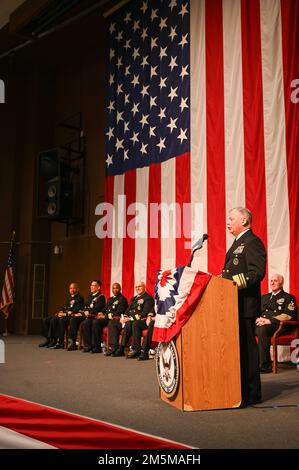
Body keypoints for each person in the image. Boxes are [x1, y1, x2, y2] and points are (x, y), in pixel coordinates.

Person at [222, 207, 266, 406]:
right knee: (237, 350)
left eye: (231, 218)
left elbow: (257, 272)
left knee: (248, 350)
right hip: (233, 305)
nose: (228, 222)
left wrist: (231, 284)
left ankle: (252, 393)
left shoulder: (252, 242)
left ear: (245, 220)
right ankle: (238, 390)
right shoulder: (237, 244)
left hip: (245, 306)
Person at [255, 274, 297, 373]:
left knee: (262, 330)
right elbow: (256, 311)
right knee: (245, 329)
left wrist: (269, 320)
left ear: (281, 283)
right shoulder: (264, 297)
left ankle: (265, 366)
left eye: (275, 281)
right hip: (262, 324)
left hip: (279, 325)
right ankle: (250, 364)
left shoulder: (288, 297)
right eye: (271, 281)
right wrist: (257, 319)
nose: (272, 283)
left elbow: (289, 314)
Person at [111, 281, 154, 358]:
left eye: (140, 286)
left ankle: (132, 349)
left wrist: (130, 318)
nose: (138, 288)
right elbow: (127, 310)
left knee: (133, 323)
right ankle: (123, 348)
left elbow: (144, 313)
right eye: (136, 287)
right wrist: (124, 317)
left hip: (142, 320)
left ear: (144, 287)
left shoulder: (148, 298)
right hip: (131, 320)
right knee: (121, 323)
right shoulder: (133, 299)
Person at [39, 283, 84, 348]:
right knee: (45, 320)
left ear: (77, 289)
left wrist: (64, 314)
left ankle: (59, 342)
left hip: (70, 317)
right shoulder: (69, 297)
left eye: (74, 288)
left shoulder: (80, 298)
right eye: (70, 288)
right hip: (63, 315)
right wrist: (60, 312)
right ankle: (49, 339)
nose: (72, 290)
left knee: (54, 320)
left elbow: (76, 310)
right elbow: (64, 307)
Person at [92, 282, 128, 354]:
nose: (115, 290)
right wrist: (101, 313)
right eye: (113, 288)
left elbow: (119, 312)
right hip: (107, 318)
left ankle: (113, 347)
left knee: (111, 323)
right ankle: (97, 346)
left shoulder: (122, 299)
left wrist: (105, 316)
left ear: (120, 289)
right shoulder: (110, 299)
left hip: (115, 319)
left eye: (116, 288)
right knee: (96, 321)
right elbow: (105, 309)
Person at [80, 280, 106, 352]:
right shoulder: (89, 296)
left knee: (88, 323)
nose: (91, 287)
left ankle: (95, 345)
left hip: (95, 316)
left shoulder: (101, 297)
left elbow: (97, 309)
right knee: (84, 322)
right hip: (88, 316)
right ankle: (88, 345)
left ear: (98, 287)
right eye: (91, 285)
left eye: (93, 285)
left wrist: (88, 311)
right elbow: (84, 307)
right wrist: (86, 311)